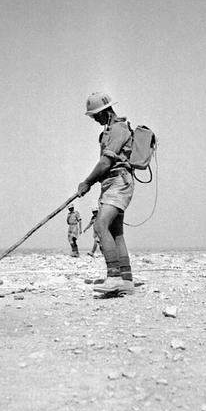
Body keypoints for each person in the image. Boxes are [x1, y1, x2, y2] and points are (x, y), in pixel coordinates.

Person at [77, 92, 135, 295]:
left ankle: (113, 277)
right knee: (116, 232)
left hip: (119, 181)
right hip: (111, 182)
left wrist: (87, 182)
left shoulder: (118, 129)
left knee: (101, 226)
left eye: (95, 115)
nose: (94, 119)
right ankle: (126, 281)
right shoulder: (109, 130)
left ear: (105, 111)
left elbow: (105, 162)